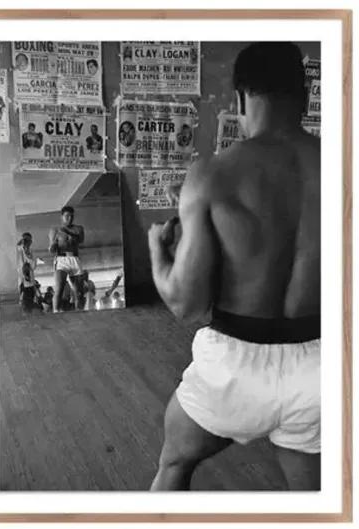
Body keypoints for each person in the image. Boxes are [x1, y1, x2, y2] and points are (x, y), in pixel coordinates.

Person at [148, 42, 320, 491]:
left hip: (232, 370)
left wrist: (157, 251)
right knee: (318, 505)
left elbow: (185, 303)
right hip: (321, 368)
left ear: (239, 99)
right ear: (304, 97)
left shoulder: (213, 174)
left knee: (173, 465)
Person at [49, 206, 85, 313]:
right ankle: (56, 312)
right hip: (61, 259)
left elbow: (81, 240)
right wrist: (53, 245)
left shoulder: (79, 228)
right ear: (62, 217)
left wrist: (67, 233)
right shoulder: (54, 230)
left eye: (72, 216)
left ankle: (80, 313)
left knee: (79, 292)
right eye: (67, 216)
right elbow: (51, 249)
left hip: (74, 259)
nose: (70, 218)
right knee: (59, 289)